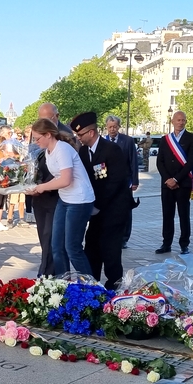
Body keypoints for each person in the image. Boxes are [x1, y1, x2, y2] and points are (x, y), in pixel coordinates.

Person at [72, 112, 131, 289]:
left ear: (91, 133)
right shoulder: (83, 151)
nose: (78, 138)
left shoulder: (111, 150)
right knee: (91, 249)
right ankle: (93, 286)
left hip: (113, 209)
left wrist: (96, 204)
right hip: (95, 211)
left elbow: (115, 181)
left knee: (111, 252)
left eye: (80, 135)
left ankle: (114, 288)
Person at [28, 118, 94, 276]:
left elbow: (66, 179)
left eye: (38, 138)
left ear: (49, 135)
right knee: (56, 246)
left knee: (72, 248)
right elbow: (55, 177)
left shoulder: (62, 149)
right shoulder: (48, 152)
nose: (35, 142)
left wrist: (41, 188)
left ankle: (91, 285)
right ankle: (63, 283)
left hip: (79, 200)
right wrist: (33, 188)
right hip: (65, 199)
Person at [155, 110, 193, 255]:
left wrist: (176, 179)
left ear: (185, 122)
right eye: (178, 120)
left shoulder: (192, 138)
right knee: (167, 214)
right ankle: (166, 243)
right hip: (167, 184)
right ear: (172, 121)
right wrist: (168, 179)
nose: (180, 122)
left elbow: (191, 162)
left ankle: (184, 244)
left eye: (183, 120)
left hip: (183, 183)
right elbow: (159, 161)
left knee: (183, 214)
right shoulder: (165, 139)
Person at [105, 115, 139, 250]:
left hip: (125, 181)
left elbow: (133, 162)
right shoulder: (103, 141)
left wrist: (135, 181)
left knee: (125, 209)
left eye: (115, 127)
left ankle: (124, 238)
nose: (112, 129)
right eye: (110, 127)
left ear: (119, 127)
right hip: (107, 183)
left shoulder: (128, 141)